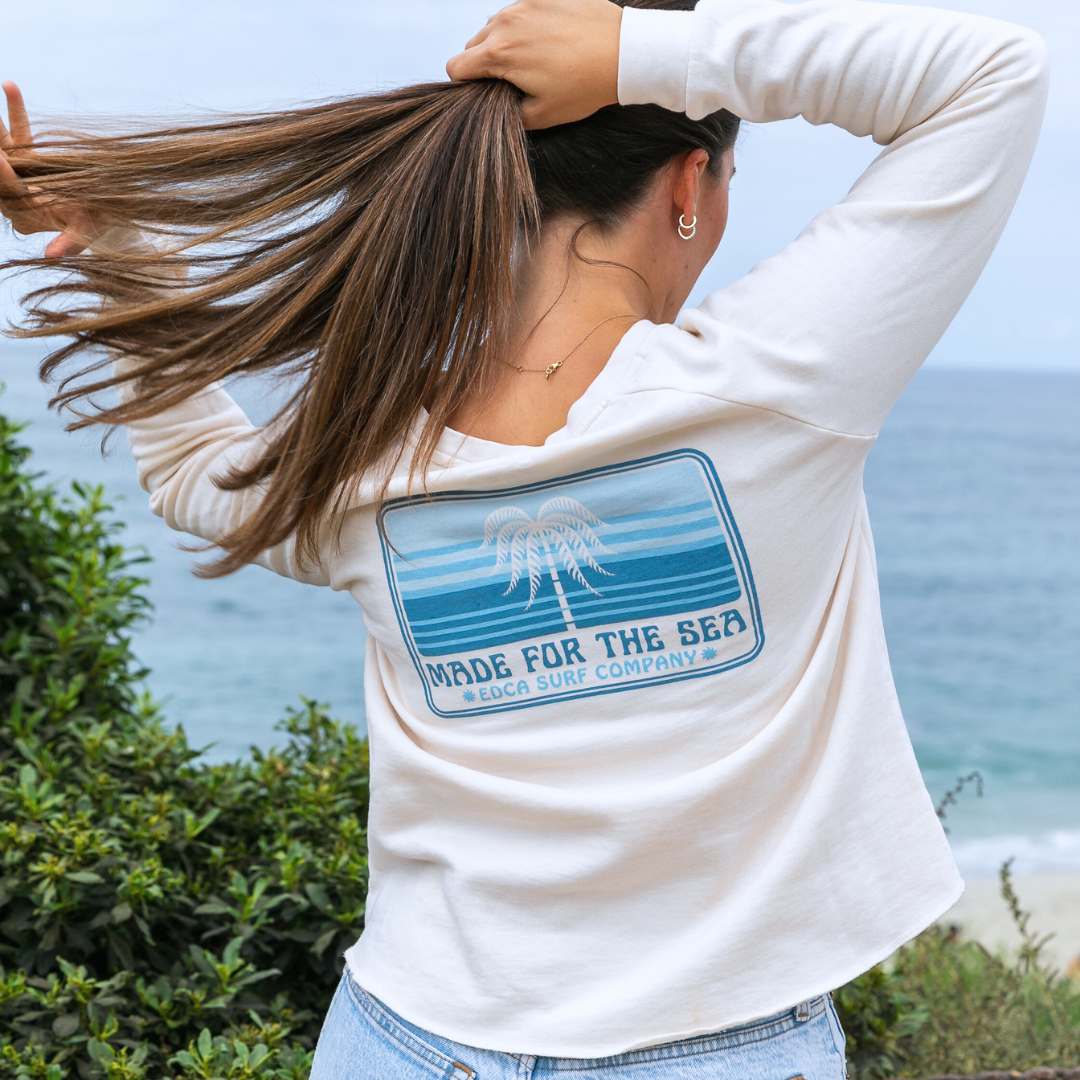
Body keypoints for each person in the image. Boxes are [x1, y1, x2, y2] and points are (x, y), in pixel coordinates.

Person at [0, 0, 1048, 1075]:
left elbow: (195, 475)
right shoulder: (775, 383)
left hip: (400, 1041)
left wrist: (124, 253)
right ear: (690, 185)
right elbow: (992, 72)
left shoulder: (373, 447)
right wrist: (642, 54)